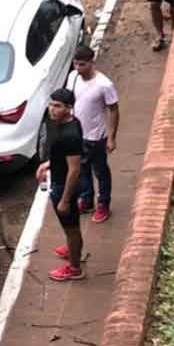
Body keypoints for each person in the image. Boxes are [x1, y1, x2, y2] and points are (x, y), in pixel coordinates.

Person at [37, 88, 85, 282]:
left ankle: (75, 268)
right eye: (51, 104)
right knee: (70, 228)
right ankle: (72, 249)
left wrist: (65, 199)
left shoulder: (70, 134)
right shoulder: (67, 123)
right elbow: (62, 156)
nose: (52, 109)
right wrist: (47, 164)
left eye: (57, 106)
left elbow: (74, 170)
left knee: (72, 229)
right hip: (57, 179)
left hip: (64, 186)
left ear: (69, 108)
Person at [70, 45, 119, 224]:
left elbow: (113, 110)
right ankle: (87, 198)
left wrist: (112, 137)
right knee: (81, 168)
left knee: (100, 171)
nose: (78, 68)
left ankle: (103, 204)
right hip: (78, 134)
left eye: (82, 65)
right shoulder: (73, 77)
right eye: (76, 64)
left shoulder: (104, 85)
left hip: (97, 136)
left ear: (92, 63)